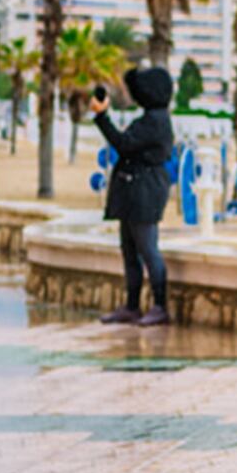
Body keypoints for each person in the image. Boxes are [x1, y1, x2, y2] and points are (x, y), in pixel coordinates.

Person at [91, 66, 176, 326]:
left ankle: (159, 306)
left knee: (147, 248)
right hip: (135, 188)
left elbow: (124, 143)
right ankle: (132, 306)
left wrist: (102, 117)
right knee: (130, 249)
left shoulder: (154, 121)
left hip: (145, 190)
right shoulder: (153, 117)